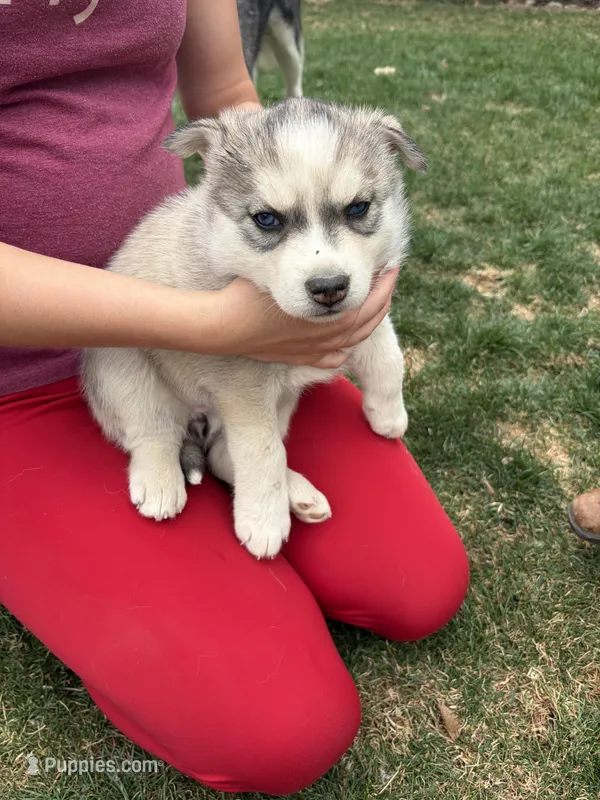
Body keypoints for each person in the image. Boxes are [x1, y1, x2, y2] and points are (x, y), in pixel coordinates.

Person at [0, 1, 469, 794]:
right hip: (38, 374)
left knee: (418, 587)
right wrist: (211, 325)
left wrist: (298, 203)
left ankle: (215, 457)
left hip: (241, 318)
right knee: (278, 729)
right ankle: (167, 450)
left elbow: (224, 88)